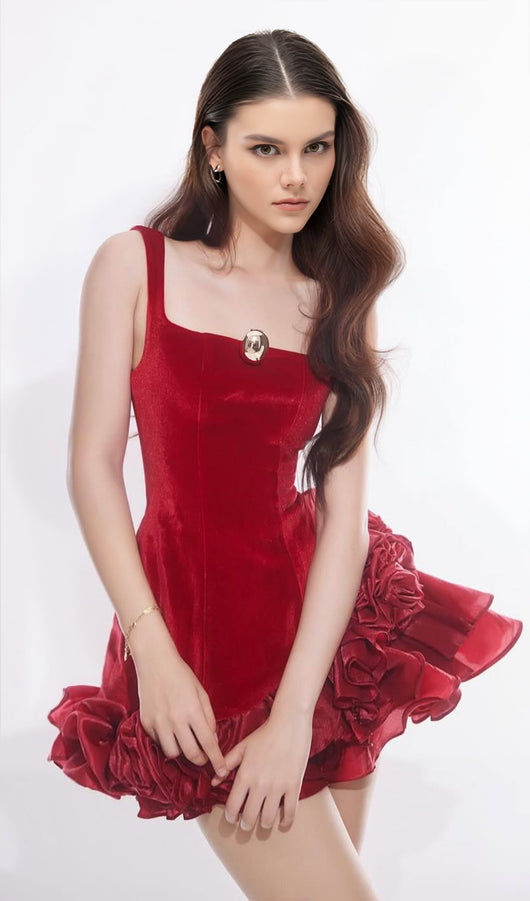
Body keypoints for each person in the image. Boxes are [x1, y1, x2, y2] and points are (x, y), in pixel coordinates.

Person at [46, 28, 523, 901]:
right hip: (203, 641)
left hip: (325, 633)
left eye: (317, 148)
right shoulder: (134, 266)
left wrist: (298, 709)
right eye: (267, 148)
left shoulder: (340, 295)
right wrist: (154, 653)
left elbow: (344, 517)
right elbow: (92, 467)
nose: (297, 176)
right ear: (214, 148)